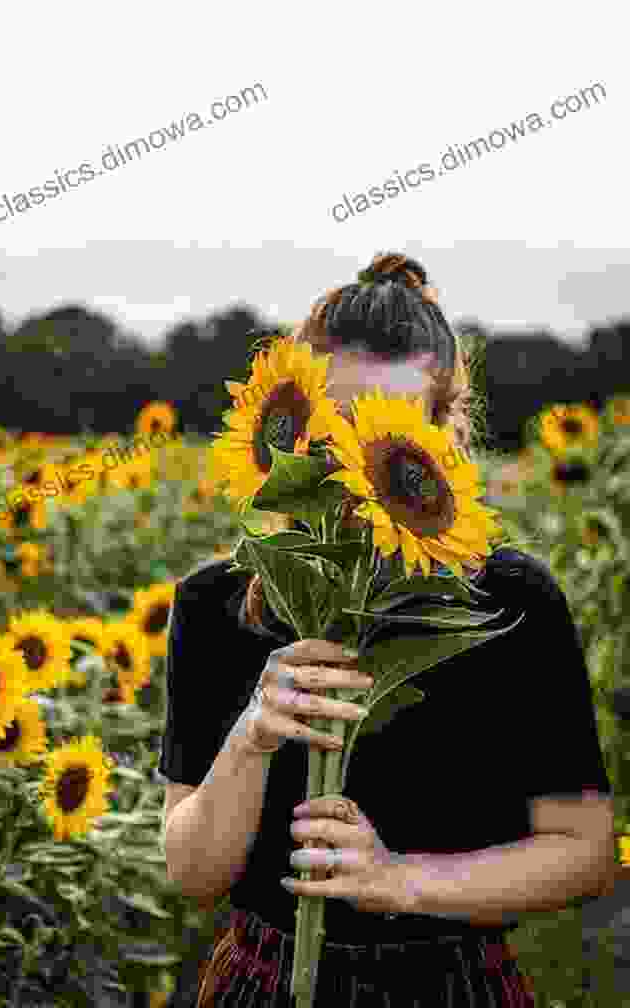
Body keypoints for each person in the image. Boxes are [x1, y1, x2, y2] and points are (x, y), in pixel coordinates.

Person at [159, 252, 613, 1006]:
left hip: (450, 979)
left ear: (444, 434)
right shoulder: (217, 602)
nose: (356, 466)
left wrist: (397, 879)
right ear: (290, 428)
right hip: (264, 981)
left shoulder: (508, 600)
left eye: (394, 431)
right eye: (334, 428)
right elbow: (193, 872)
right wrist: (252, 736)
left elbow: (585, 854)